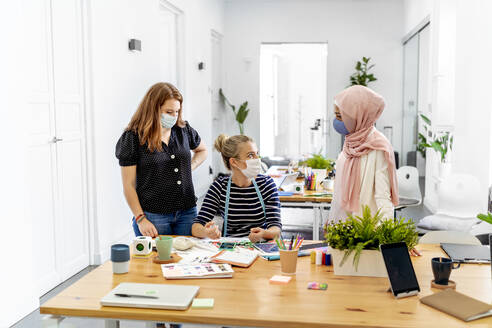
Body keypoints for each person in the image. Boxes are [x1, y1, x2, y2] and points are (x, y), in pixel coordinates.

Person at [328, 85, 420, 256]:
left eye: (340, 116)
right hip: (343, 231)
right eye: (335, 116)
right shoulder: (352, 140)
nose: (337, 122)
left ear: (358, 116)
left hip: (365, 234)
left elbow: (383, 197)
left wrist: (391, 240)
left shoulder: (378, 147)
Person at [116, 82, 207, 238]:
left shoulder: (183, 130)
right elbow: (128, 185)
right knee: (156, 260)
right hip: (153, 216)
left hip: (187, 211)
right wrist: (140, 218)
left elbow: (202, 150)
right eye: (168, 111)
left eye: (177, 111)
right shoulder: (132, 138)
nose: (174, 116)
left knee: (188, 259)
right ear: (153, 109)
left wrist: (190, 167)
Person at [192, 134, 282, 242]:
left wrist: (264, 233)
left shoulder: (267, 184)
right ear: (234, 162)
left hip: (261, 246)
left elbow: (276, 228)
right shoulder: (220, 187)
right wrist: (206, 232)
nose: (257, 159)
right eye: (250, 155)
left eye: (257, 154)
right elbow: (196, 227)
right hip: (231, 248)